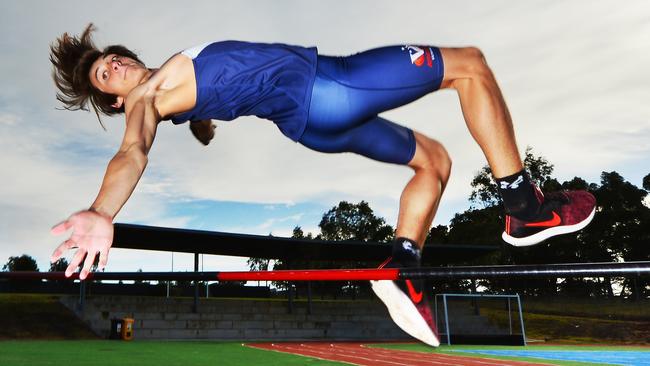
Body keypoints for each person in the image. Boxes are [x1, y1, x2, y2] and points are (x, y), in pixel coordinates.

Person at [48, 24, 596, 347]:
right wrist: (101, 210)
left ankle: (402, 266)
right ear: (115, 100)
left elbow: (203, 95)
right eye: (105, 75)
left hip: (313, 125)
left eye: (114, 58)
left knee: (434, 160)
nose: (115, 64)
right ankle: (525, 206)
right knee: (470, 66)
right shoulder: (146, 101)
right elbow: (132, 151)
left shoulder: (168, 88)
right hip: (329, 86)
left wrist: (200, 119)